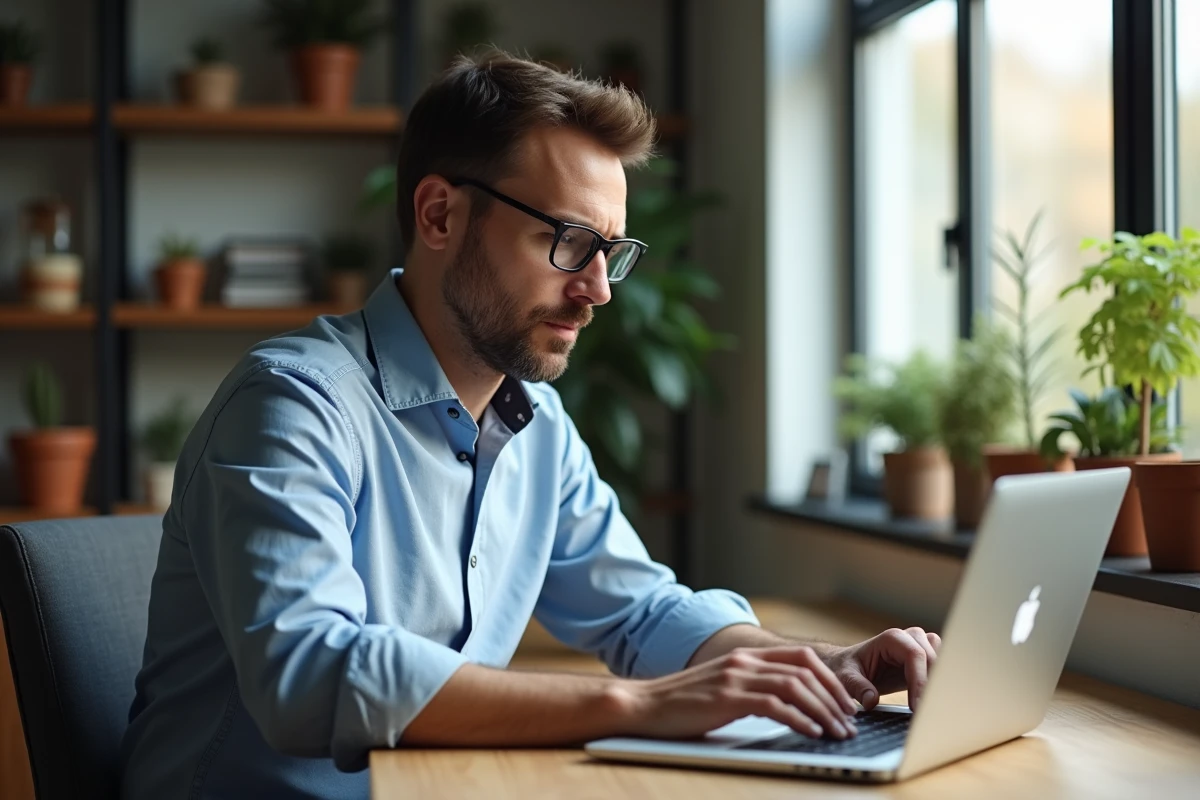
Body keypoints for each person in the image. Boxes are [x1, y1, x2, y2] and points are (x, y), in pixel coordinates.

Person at [119, 50, 940, 799]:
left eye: (610, 251)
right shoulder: (292, 406)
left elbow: (641, 613)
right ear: (439, 216)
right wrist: (636, 706)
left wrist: (813, 669)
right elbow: (313, 677)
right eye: (569, 240)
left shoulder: (534, 422)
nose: (598, 290)